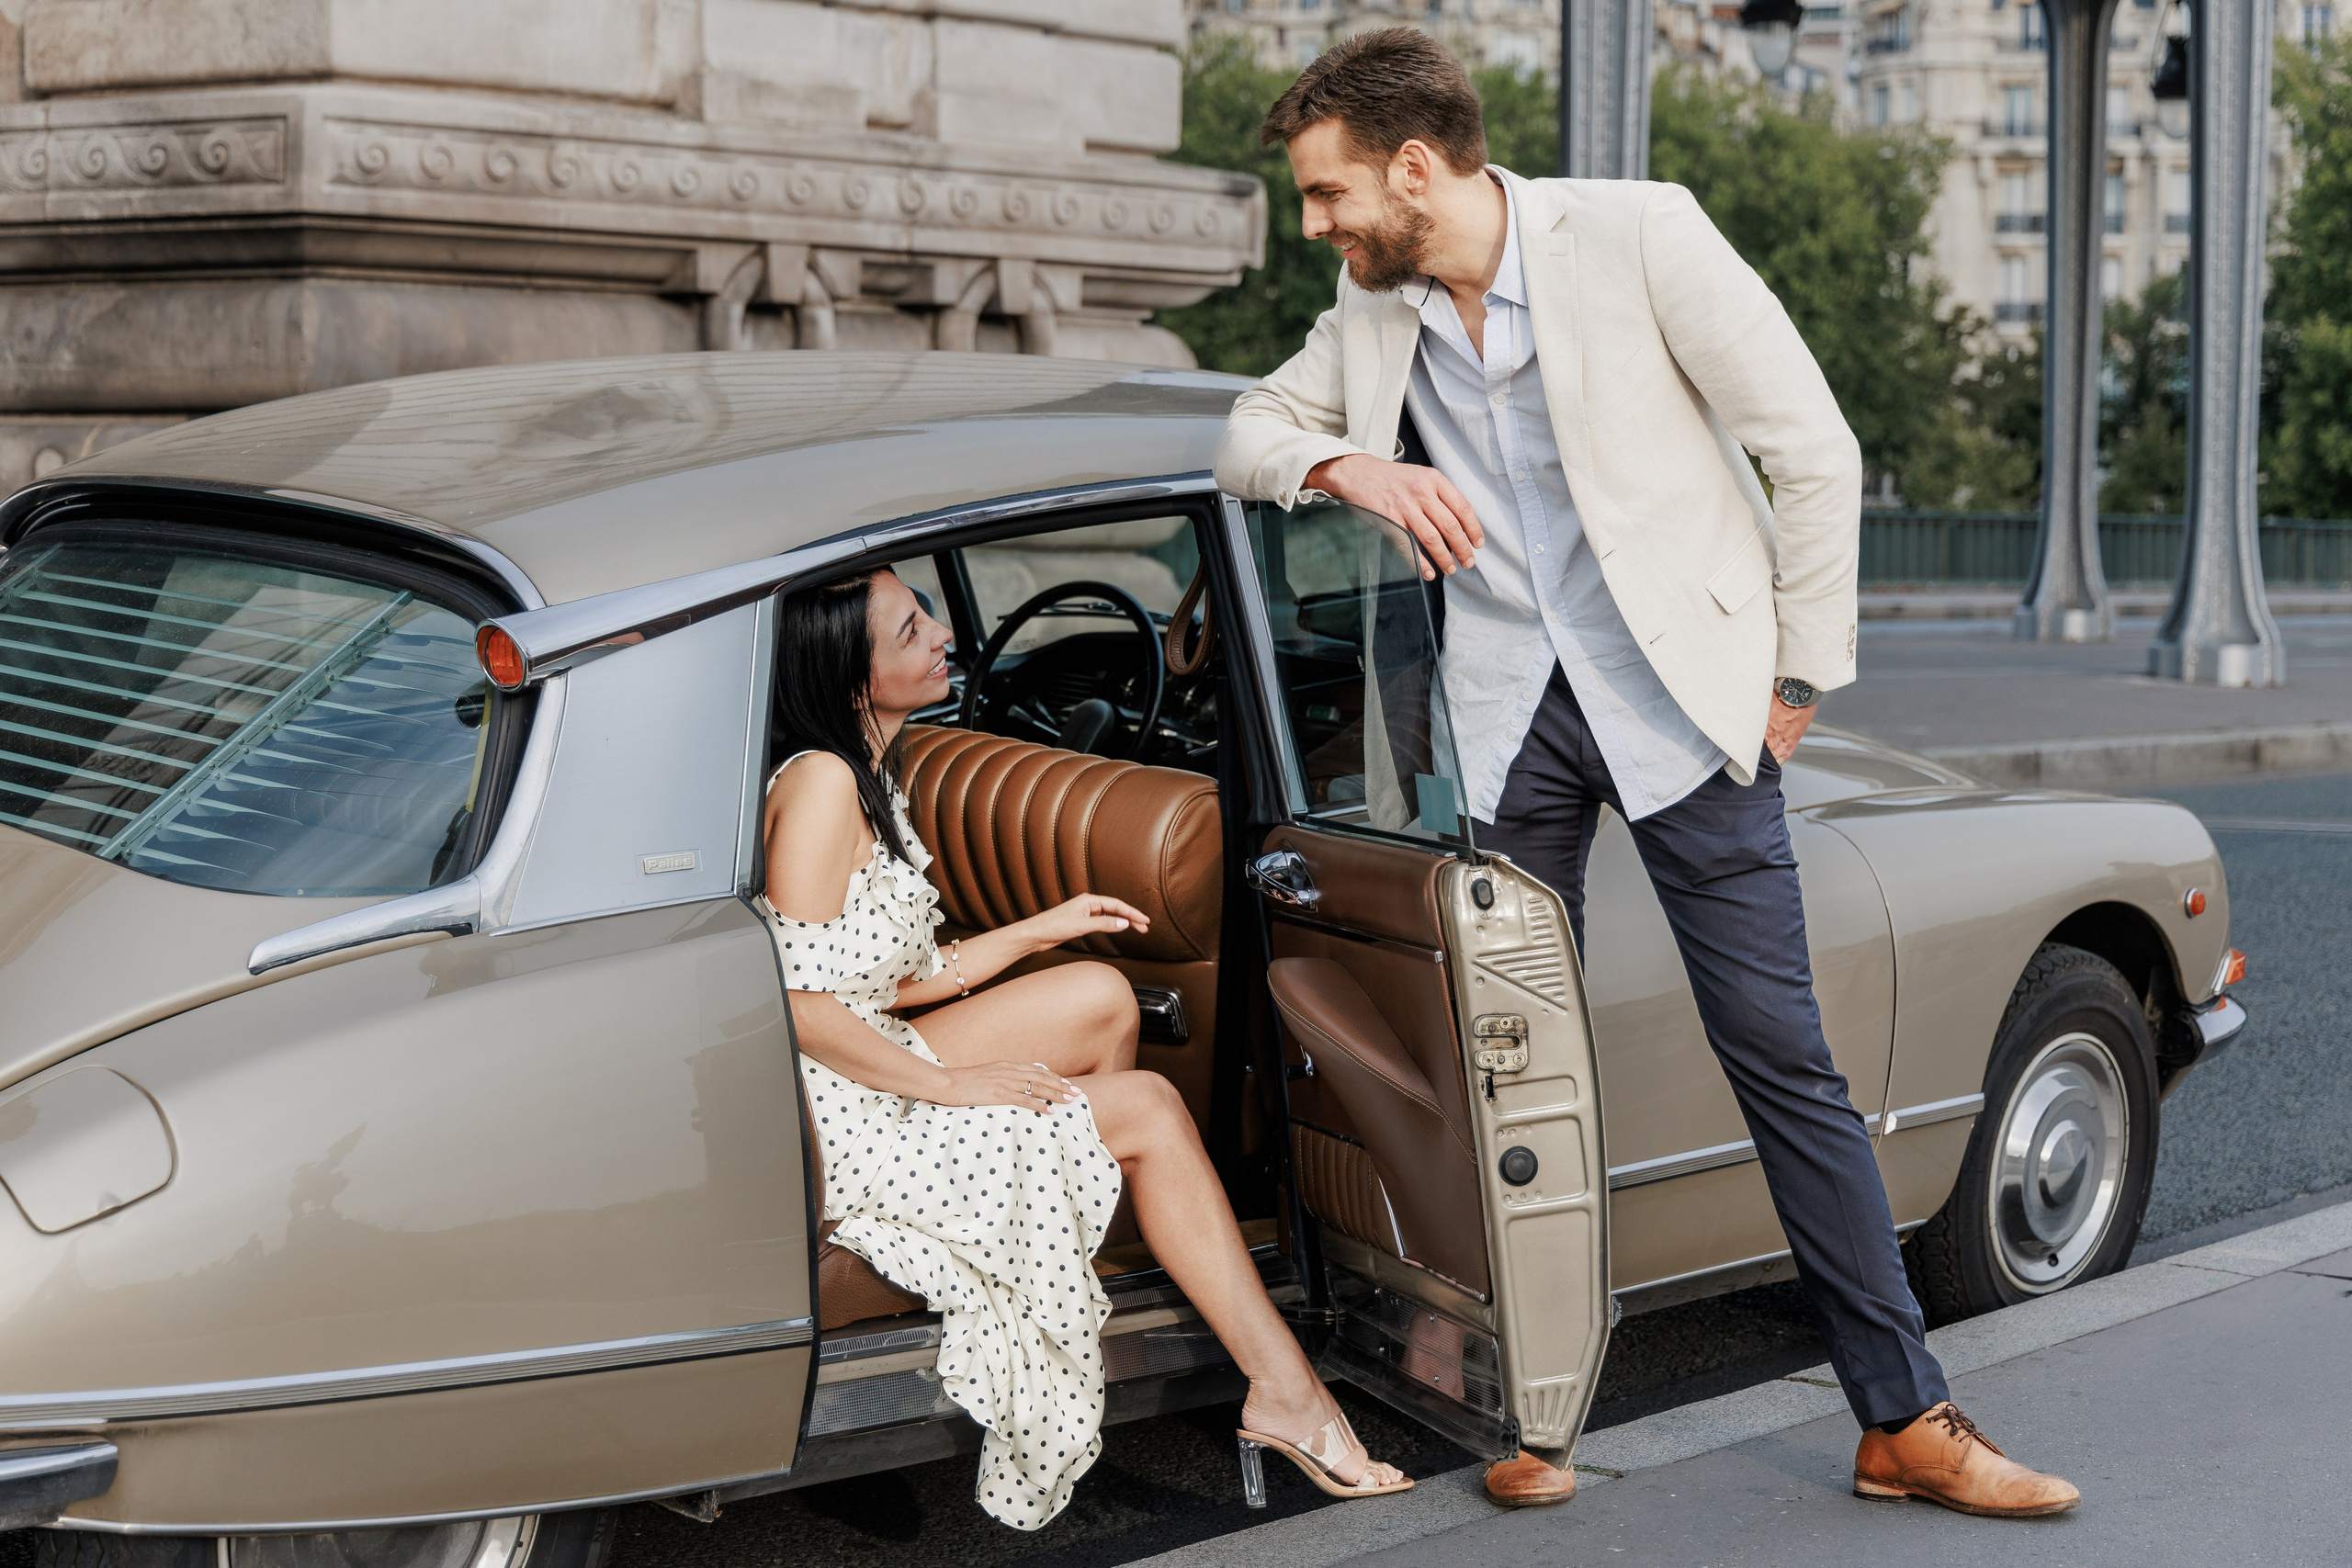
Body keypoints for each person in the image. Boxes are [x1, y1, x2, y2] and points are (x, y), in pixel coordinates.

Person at [1215, 28, 2079, 1519]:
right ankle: (1532, 1402)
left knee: (1779, 1055)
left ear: (1415, 168)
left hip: (1687, 709)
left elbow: (1812, 447)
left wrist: (1799, 678)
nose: (1317, 226)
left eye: (1326, 192)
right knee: (1508, 1075)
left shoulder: (1639, 236)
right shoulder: (1371, 312)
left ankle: (1905, 1417)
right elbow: (1246, 431)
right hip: (1504, 723)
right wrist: (1357, 468)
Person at [760, 567, 1411, 1529]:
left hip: (867, 1048)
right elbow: (803, 1004)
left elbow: (875, 982)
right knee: (1146, 1104)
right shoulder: (821, 784)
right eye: (909, 631)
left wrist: (1038, 928)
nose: (941, 635)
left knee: (1100, 995)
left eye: (927, 613)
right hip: (843, 1107)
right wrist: (949, 1085)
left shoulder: (863, 764)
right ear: (854, 682)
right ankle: (1287, 1394)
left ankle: (1093, 1267)